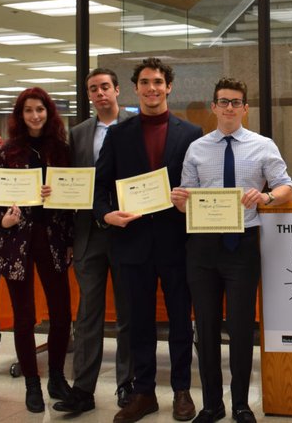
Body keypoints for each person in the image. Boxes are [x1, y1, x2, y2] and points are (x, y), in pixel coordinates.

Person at [171, 77, 292, 423]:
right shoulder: (196, 149)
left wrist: (267, 196)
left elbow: (286, 186)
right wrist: (179, 200)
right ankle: (213, 405)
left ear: (245, 108)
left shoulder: (262, 145)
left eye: (236, 102)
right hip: (202, 246)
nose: (229, 107)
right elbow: (186, 202)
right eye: (223, 101)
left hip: (242, 244)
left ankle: (240, 404)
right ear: (213, 107)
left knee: (241, 328)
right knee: (206, 328)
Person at [95, 57, 202, 423]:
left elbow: (200, 186)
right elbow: (100, 188)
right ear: (136, 88)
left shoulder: (191, 134)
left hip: (177, 242)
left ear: (169, 87)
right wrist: (107, 215)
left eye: (158, 81)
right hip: (132, 243)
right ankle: (143, 393)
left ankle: (182, 390)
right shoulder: (118, 135)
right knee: (138, 322)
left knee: (178, 321)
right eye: (145, 82)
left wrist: (192, 200)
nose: (152, 88)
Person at [53, 68, 134, 414]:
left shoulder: (135, 125)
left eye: (105, 87)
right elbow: (72, 181)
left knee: (128, 314)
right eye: (93, 89)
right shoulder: (78, 133)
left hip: (129, 231)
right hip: (88, 233)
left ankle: (127, 386)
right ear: (88, 95)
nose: (100, 94)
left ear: (117, 90)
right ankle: (82, 389)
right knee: (87, 314)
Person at [0, 87, 74, 413]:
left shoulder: (62, 151)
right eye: (28, 111)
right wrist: (5, 220)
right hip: (16, 242)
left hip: (52, 239)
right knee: (23, 318)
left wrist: (69, 242)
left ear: (48, 113)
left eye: (40, 109)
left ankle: (56, 377)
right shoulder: (6, 153)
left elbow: (70, 205)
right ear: (20, 115)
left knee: (62, 314)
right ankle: (31, 383)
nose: (35, 116)